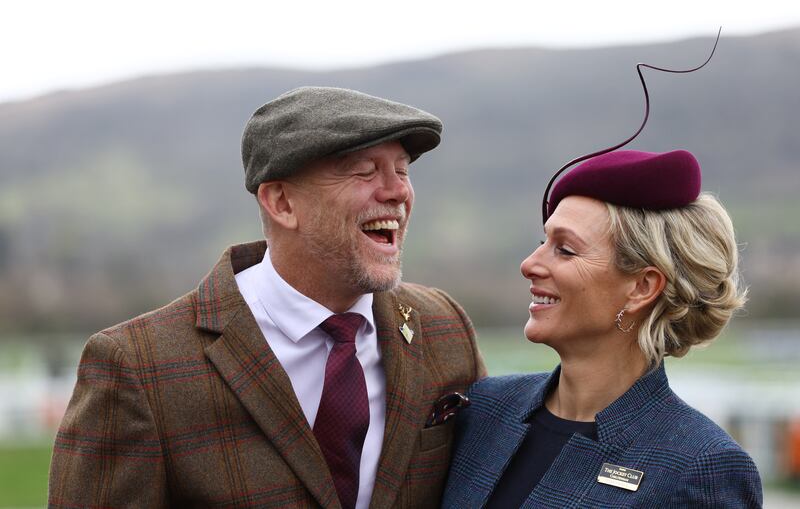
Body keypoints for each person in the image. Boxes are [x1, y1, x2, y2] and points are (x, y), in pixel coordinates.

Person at [49, 86, 486, 508]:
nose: (397, 192)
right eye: (365, 171)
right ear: (281, 202)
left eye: (402, 169)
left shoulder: (445, 327)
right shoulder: (137, 367)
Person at [442, 149, 763, 508]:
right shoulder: (484, 409)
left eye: (564, 250)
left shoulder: (701, 466)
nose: (529, 264)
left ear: (642, 287)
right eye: (541, 243)